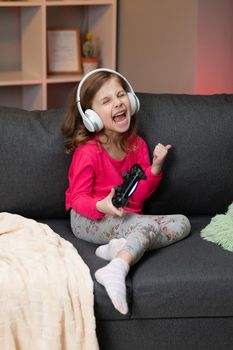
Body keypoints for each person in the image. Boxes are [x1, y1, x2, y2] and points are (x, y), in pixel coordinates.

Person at [61, 68, 191, 315]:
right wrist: (101, 206)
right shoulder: (88, 152)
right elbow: (78, 198)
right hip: (88, 217)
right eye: (106, 100)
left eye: (121, 95)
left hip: (125, 217)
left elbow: (138, 198)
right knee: (144, 227)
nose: (118, 103)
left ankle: (117, 249)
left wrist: (154, 168)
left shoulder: (138, 145)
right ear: (91, 116)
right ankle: (117, 268)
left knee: (183, 222)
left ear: (131, 101)